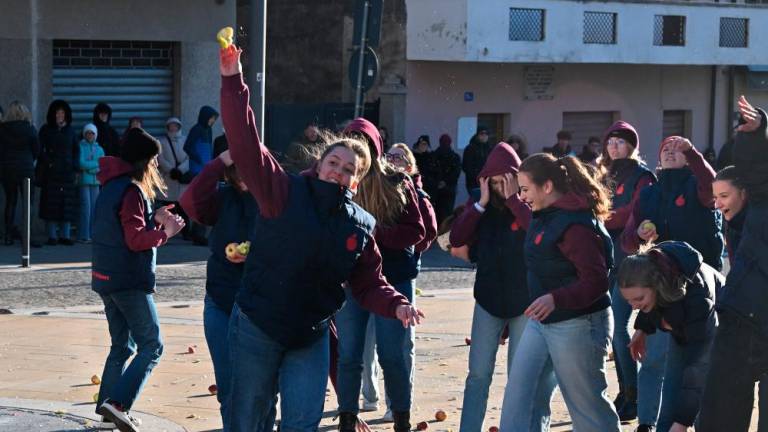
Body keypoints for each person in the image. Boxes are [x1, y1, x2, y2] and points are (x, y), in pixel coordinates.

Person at [219, 44, 423, 432]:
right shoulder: (283, 191)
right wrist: (233, 80)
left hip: (308, 336)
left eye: (349, 169)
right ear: (320, 163)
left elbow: (369, 283)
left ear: (358, 180)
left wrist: (396, 304)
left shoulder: (360, 224)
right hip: (258, 325)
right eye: (334, 163)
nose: (339, 172)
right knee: (247, 419)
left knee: (302, 422)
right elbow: (245, 141)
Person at [500, 153, 621, 432]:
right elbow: (537, 230)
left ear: (548, 187)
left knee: (587, 406)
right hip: (542, 321)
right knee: (521, 394)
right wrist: (512, 201)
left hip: (579, 323)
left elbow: (597, 281)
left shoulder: (577, 225)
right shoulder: (545, 215)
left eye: (526, 189)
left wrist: (556, 298)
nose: (522, 195)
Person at [450, 143, 556, 432]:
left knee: (520, 377)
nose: (499, 186)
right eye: (493, 181)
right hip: (487, 300)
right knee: (478, 375)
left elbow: (538, 232)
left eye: (504, 180)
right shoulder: (478, 203)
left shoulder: (528, 202)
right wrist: (480, 203)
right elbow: (456, 238)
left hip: (525, 302)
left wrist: (514, 200)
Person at [92, 128, 185, 432]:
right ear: (143, 161)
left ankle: (108, 416)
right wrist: (165, 233)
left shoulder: (110, 186)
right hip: (128, 280)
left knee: (121, 346)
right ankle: (118, 404)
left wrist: (152, 218)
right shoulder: (132, 190)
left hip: (106, 276)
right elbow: (134, 240)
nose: (157, 166)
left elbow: (121, 228)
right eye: (155, 160)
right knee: (152, 346)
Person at [336, 118, 427, 432]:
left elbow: (418, 230)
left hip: (393, 280)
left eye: (363, 145)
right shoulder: (339, 180)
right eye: (351, 143)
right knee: (349, 354)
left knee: (392, 354)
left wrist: (374, 231)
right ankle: (347, 417)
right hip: (351, 282)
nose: (357, 153)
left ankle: (401, 416)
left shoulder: (396, 181)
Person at [179, 150, 271, 430]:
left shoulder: (272, 199)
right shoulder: (221, 197)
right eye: (236, 169)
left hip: (261, 307)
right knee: (229, 385)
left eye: (248, 168)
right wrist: (218, 163)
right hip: (220, 302)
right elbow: (190, 201)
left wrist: (255, 255)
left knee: (263, 389)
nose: (242, 176)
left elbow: (285, 246)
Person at [698, 96, 768, 432]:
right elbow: (756, 176)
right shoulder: (754, 210)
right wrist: (754, 135)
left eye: (724, 196)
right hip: (743, 317)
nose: (719, 204)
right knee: (721, 413)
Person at [617, 241, 722, 432]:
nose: (633, 306)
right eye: (629, 301)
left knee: (705, 404)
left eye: (638, 299)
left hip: (720, 331)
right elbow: (654, 303)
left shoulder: (698, 299)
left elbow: (700, 367)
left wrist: (682, 423)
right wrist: (642, 328)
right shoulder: (660, 279)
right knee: (671, 399)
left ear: (657, 284)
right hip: (683, 330)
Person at [599, 121, 660, 427]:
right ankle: (625, 393)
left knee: (621, 325)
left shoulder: (642, 176)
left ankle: (634, 396)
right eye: (611, 141)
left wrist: (604, 215)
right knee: (614, 329)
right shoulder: (604, 173)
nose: (614, 146)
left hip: (630, 257)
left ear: (632, 146)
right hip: (604, 255)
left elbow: (636, 210)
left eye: (620, 142)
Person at [621, 136, 724, 271]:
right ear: (660, 160)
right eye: (666, 149)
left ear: (688, 159)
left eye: (677, 149)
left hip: (700, 272)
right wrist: (639, 235)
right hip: (660, 274)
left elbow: (713, 188)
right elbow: (626, 242)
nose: (670, 152)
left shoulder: (697, 186)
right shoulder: (647, 194)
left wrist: (692, 152)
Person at [38, 99, 79, 246]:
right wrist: (49, 162)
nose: (60, 115)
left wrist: (74, 166)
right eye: (57, 113)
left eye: (62, 113)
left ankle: (65, 236)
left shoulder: (71, 131)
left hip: (67, 173)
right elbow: (39, 149)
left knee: (66, 205)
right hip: (51, 174)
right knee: (51, 205)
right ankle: (52, 236)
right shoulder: (46, 130)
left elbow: (76, 150)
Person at [0, 101, 40, 245]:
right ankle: (27, 237)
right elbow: (37, 150)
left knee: (10, 201)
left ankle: (8, 236)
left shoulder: (2, 129)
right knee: (27, 203)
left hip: (8, 169)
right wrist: (29, 160)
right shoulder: (30, 128)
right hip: (26, 169)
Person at [184, 106, 219, 245]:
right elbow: (187, 147)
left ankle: (197, 233)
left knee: (204, 202)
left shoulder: (208, 130)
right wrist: (198, 159)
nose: (212, 121)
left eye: (214, 119)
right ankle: (198, 235)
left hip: (207, 171)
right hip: (197, 171)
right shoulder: (196, 129)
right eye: (211, 118)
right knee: (202, 202)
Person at [156, 117, 191, 240]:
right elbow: (160, 158)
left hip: (181, 180)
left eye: (175, 126)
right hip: (168, 179)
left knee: (183, 208)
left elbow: (189, 157)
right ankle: (167, 232)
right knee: (168, 207)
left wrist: (181, 170)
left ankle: (186, 232)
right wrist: (171, 169)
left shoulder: (186, 140)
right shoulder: (161, 141)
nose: (173, 128)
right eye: (171, 126)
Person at [77, 123, 105, 243]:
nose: (90, 135)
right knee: (85, 209)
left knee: (94, 209)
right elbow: (81, 163)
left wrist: (90, 169)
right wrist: (95, 166)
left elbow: (103, 164)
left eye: (92, 133)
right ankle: (84, 235)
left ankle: (93, 234)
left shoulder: (99, 149)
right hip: (84, 182)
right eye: (88, 133)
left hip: (96, 182)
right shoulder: (80, 146)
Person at [431, 134, 462, 226]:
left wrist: (440, 182)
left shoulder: (434, 155)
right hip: (448, 189)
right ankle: (443, 236)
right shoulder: (454, 156)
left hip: (439, 189)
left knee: (437, 214)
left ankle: (437, 235)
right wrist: (445, 182)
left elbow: (433, 171)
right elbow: (456, 173)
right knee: (446, 215)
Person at [462, 126, 493, 194]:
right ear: (477, 135)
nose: (484, 136)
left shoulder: (490, 149)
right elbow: (466, 166)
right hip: (474, 183)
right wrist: (477, 177)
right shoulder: (470, 149)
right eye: (482, 134)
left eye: (486, 134)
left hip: (487, 182)